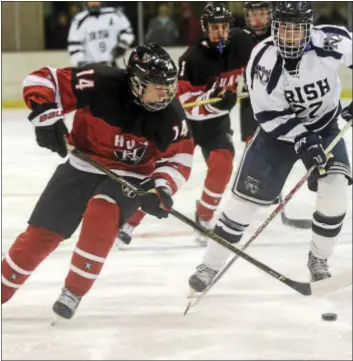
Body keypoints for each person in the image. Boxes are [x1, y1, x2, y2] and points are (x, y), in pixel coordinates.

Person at [1, 43, 194, 320]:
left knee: (102, 211)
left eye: (168, 86)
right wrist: (45, 117)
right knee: (42, 233)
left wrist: (160, 187)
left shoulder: (171, 115)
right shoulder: (99, 82)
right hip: (82, 163)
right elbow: (42, 79)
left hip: (131, 175)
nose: (166, 94)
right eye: (157, 86)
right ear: (137, 83)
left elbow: (180, 158)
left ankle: (74, 291)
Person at [188, 1, 352, 293]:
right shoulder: (262, 58)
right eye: (284, 30)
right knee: (243, 204)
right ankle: (209, 265)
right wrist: (302, 138)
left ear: (309, 28)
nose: (289, 38)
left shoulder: (331, 40)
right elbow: (267, 114)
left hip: (325, 127)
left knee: (335, 192)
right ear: (274, 27)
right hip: (277, 136)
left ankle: (318, 259)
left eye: (297, 30)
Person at [116, 3, 254, 248]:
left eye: (224, 27)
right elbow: (185, 104)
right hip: (185, 124)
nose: (219, 33)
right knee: (167, 175)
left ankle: (204, 217)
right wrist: (218, 104)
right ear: (205, 29)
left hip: (216, 125)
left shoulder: (243, 43)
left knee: (222, 166)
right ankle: (129, 222)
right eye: (214, 28)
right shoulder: (193, 59)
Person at [240, 1, 272, 143]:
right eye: (254, 14)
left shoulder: (281, 34)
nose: (258, 18)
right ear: (247, 16)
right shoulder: (239, 38)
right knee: (252, 145)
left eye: (262, 13)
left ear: (269, 15)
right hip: (250, 102)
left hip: (278, 100)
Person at [67, 1, 135, 67]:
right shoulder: (79, 19)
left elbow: (128, 32)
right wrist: (80, 64)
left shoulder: (114, 13)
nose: (94, 3)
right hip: (91, 67)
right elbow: (74, 45)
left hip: (113, 64)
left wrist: (122, 45)